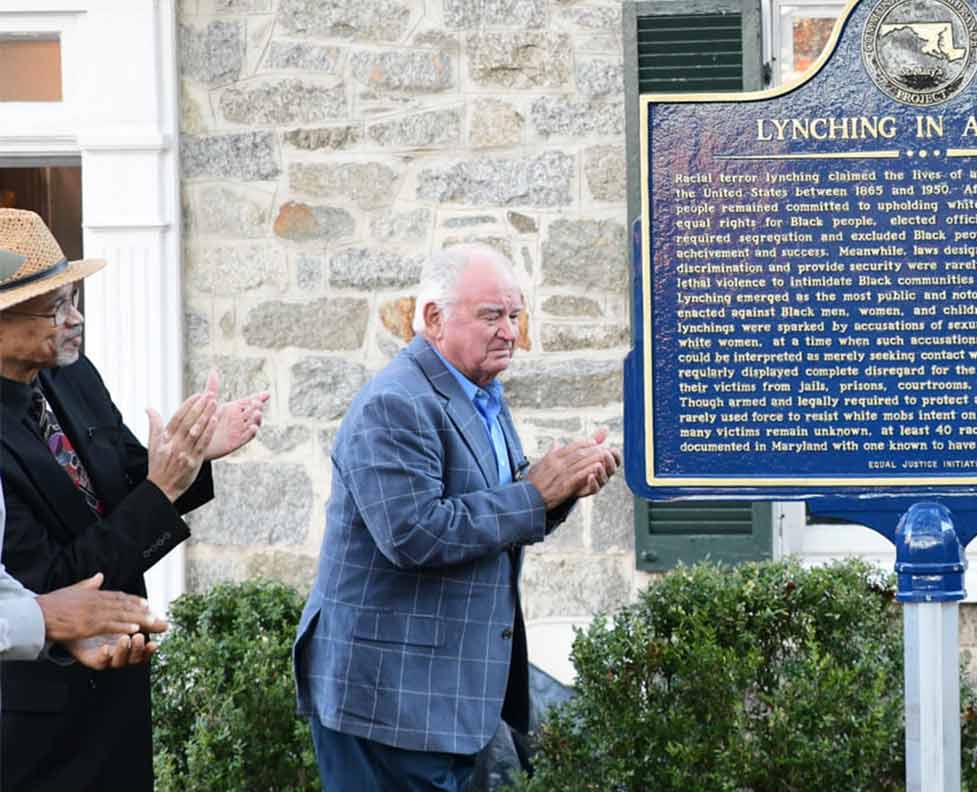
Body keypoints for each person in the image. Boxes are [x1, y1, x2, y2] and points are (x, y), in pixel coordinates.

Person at [294, 244, 621, 791]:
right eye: (491, 315)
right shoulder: (395, 403)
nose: (509, 332)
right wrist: (536, 494)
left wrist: (563, 489)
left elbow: (501, 513)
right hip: (389, 704)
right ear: (433, 318)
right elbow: (414, 533)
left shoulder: (482, 393)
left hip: (443, 702)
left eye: (514, 315)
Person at [0, 208, 267, 790]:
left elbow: (124, 483)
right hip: (35, 729)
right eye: (55, 307)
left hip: (117, 693)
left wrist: (190, 455)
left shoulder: (70, 374)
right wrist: (163, 485)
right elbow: (52, 587)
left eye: (75, 297)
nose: (76, 320)